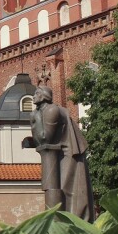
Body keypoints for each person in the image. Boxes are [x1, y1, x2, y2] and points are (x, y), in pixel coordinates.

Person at [24, 86, 94, 222]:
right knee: (62, 188)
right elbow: (41, 140)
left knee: (69, 189)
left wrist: (35, 118)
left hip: (69, 154)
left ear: (44, 96)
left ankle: (69, 224)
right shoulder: (40, 111)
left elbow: (45, 138)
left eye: (36, 93)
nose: (33, 96)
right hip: (57, 153)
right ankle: (58, 224)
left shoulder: (51, 110)